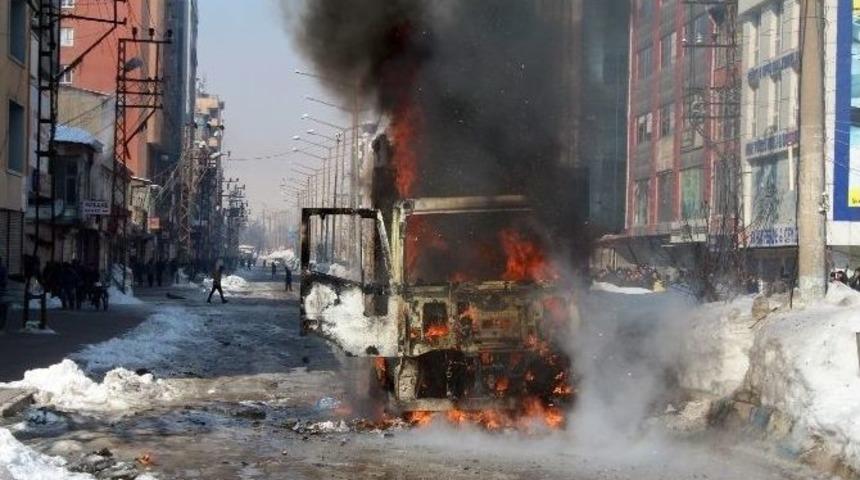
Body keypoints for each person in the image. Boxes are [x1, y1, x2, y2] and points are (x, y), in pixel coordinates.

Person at [0, 257, 8, 332]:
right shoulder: (3, 268)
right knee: (3, 308)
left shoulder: (3, 268)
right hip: (1, 291)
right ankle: (1, 325)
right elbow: (4, 281)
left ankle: (1, 324)